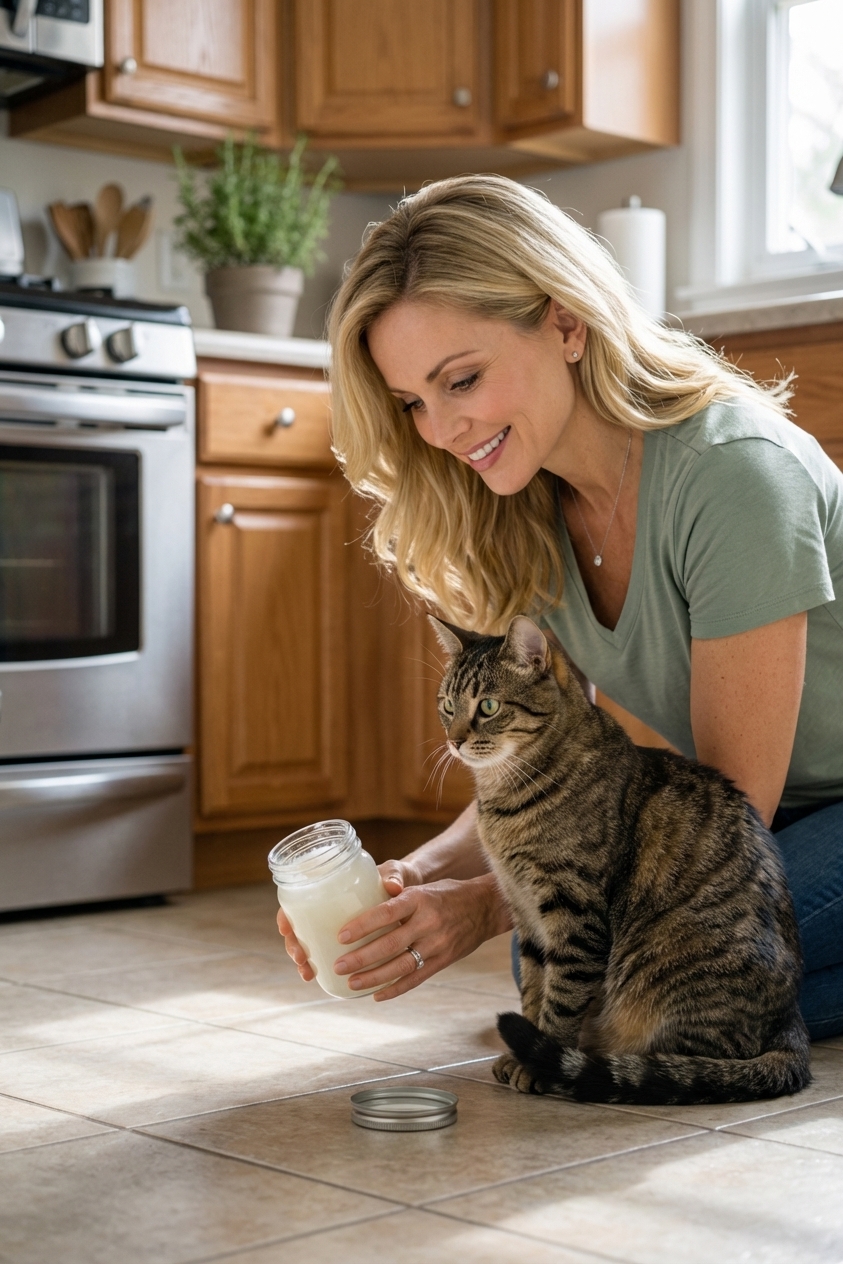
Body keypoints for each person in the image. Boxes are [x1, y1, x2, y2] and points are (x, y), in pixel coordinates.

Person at [276, 175, 843, 1040]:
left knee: (637, 968)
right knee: (566, 954)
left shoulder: (731, 474)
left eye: (460, 380)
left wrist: (482, 905)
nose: (440, 431)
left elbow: (733, 810)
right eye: (412, 404)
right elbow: (557, 761)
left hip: (752, 809)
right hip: (764, 814)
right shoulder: (527, 509)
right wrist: (417, 877)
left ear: (566, 324)